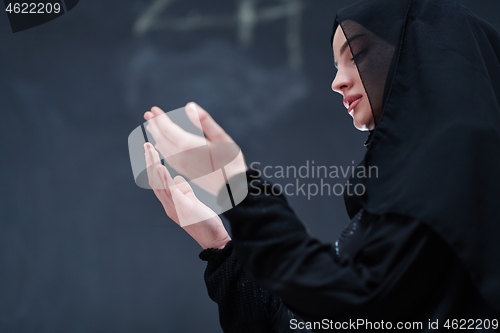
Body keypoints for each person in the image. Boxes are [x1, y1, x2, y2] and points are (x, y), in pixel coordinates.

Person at [142, 0, 500, 331]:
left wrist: (235, 184)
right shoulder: (409, 182)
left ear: (421, 55)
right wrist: (218, 241)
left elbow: (357, 305)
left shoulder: (460, 152)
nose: (337, 81)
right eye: (335, 65)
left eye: (356, 55)